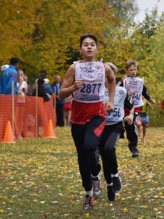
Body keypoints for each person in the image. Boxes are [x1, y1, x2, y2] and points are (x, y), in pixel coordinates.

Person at [59, 33, 116, 210]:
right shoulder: (74, 68)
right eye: (85, 44)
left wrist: (111, 100)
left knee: (90, 146)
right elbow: (61, 94)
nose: (89, 47)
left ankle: (96, 175)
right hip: (78, 118)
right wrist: (73, 87)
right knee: (82, 156)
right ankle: (89, 194)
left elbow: (112, 81)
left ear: (97, 49)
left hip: (97, 114)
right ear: (80, 49)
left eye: (92, 44)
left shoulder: (104, 67)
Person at [99, 62, 134, 201]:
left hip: (116, 125)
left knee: (109, 148)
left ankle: (115, 174)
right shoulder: (99, 91)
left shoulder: (121, 90)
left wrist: (131, 115)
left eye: (110, 74)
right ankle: (109, 185)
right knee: (104, 157)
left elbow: (131, 106)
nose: (107, 77)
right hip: (101, 126)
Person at [118, 59, 155, 157]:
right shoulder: (123, 81)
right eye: (131, 70)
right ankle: (130, 142)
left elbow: (144, 92)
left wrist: (150, 99)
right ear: (126, 70)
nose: (133, 71)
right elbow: (117, 92)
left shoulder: (140, 81)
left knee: (133, 123)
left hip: (138, 105)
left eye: (135, 69)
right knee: (129, 126)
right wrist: (126, 93)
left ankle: (133, 146)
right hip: (127, 106)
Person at [16, 69, 28, 139]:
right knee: (16, 117)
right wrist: (20, 83)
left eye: (22, 74)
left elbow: (25, 92)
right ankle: (15, 133)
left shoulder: (24, 83)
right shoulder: (15, 82)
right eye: (19, 74)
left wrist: (25, 90)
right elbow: (15, 90)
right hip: (16, 101)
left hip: (22, 100)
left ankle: (19, 133)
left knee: (20, 118)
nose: (21, 76)